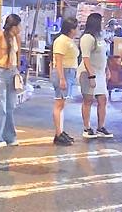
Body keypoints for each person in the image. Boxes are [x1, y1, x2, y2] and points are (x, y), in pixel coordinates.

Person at [79, 13, 113, 139]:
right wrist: (91, 76)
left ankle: (101, 127)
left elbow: (104, 55)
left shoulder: (100, 37)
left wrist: (107, 69)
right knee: (88, 100)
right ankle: (87, 128)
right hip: (88, 73)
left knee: (103, 99)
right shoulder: (87, 38)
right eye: (101, 21)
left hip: (100, 73)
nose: (103, 23)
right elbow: (86, 58)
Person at [0, 14, 21, 147]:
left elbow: (17, 54)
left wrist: (18, 71)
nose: (20, 28)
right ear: (13, 26)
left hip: (12, 72)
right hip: (0, 72)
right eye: (19, 25)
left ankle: (9, 137)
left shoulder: (16, 38)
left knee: (10, 106)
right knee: (0, 106)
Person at [51, 17, 79, 146]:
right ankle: (58, 134)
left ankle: (60, 131)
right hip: (63, 73)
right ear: (71, 29)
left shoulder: (69, 40)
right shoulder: (61, 41)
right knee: (59, 104)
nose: (78, 30)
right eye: (76, 27)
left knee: (62, 104)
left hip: (69, 73)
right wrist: (62, 78)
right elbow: (59, 61)